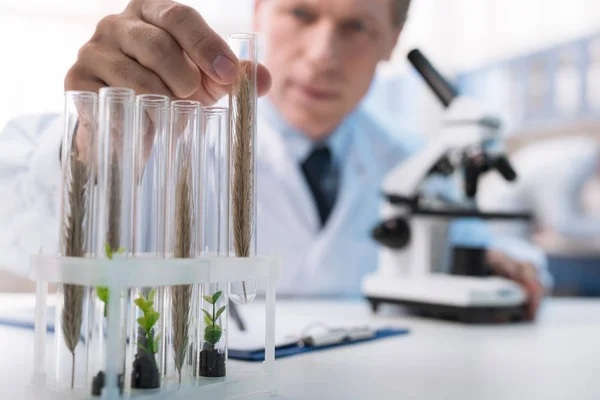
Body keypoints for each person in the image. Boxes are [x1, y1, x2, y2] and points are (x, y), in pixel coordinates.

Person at [0, 0, 550, 318]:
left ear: (392, 40)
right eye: (302, 13)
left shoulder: (413, 160)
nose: (322, 56)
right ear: (260, 12)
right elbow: (18, 228)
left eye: (356, 26)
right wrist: (94, 147)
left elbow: (499, 249)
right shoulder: (172, 131)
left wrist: (506, 264)